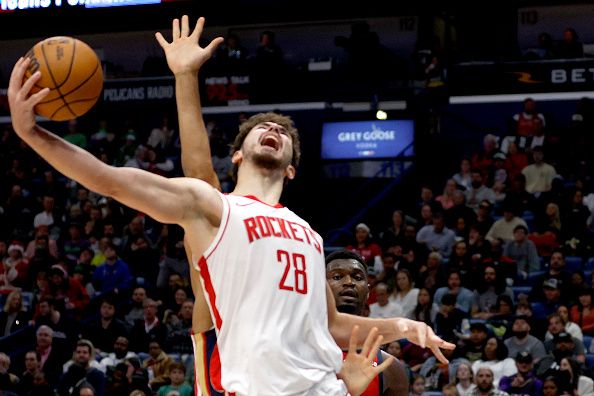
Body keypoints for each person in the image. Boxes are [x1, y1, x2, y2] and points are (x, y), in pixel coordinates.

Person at [9, 20, 454, 395]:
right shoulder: (213, 207)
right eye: (260, 127)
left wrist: (402, 325)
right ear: (237, 154)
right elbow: (109, 179)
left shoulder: (312, 236)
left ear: (292, 169)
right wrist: (33, 134)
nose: (271, 129)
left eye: (281, 132)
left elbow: (331, 323)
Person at [326, 249, 409, 395]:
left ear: (368, 292)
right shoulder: (296, 354)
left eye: (357, 277)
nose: (349, 282)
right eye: (338, 276)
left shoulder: (390, 367)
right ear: (320, 288)